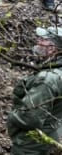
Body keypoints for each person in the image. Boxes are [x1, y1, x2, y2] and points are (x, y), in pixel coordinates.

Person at [7, 27, 62, 155]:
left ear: (52, 48)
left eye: (43, 39)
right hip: (51, 137)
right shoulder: (56, 72)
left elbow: (30, 118)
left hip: (32, 146)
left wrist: (12, 116)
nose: (38, 41)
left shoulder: (48, 79)